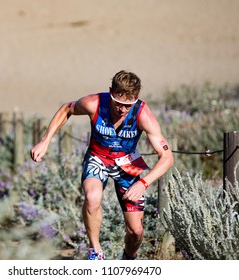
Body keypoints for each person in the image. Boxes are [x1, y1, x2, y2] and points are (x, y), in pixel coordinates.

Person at [30, 70, 174, 260]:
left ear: (136, 99)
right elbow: (67, 108)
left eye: (128, 105)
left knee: (136, 231)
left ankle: (128, 259)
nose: (122, 110)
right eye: (118, 103)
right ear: (110, 93)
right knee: (92, 197)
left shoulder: (143, 114)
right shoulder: (94, 103)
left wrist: (143, 183)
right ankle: (95, 252)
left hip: (127, 164)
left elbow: (167, 157)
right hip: (97, 158)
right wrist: (45, 140)